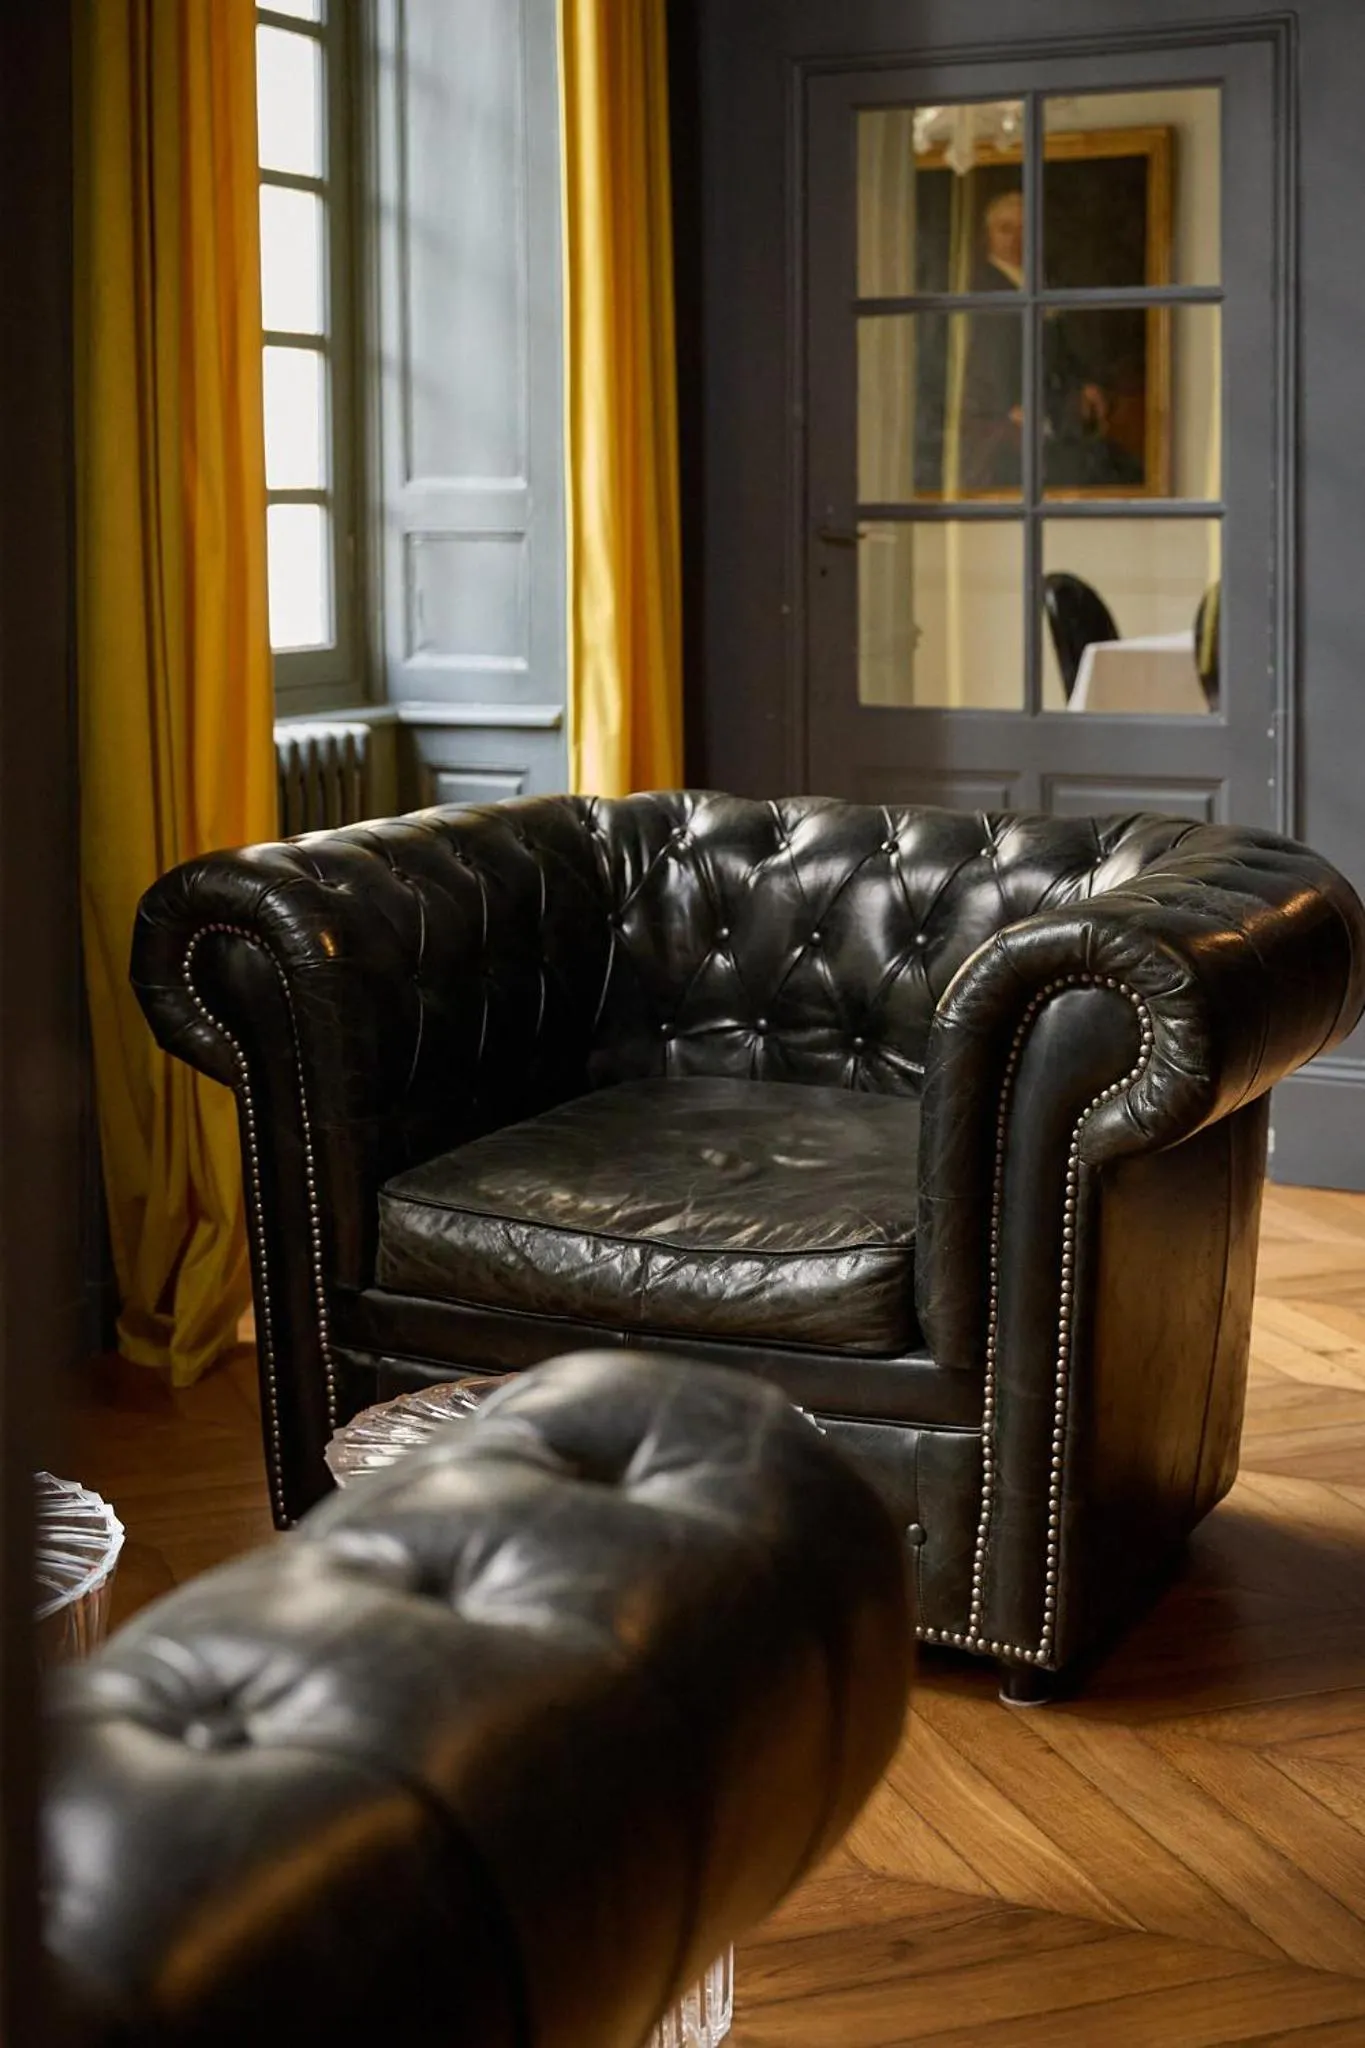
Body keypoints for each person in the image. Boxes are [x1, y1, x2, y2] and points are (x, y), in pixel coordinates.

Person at [958, 187, 1139, 491]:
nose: (1016, 239)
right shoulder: (977, 286)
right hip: (1005, 418)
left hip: (1051, 409)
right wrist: (1008, 410)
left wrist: (1086, 384)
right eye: (1005, 229)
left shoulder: (1041, 281)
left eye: (1024, 229)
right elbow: (980, 361)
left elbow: (1061, 348)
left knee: (1113, 469)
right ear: (988, 234)